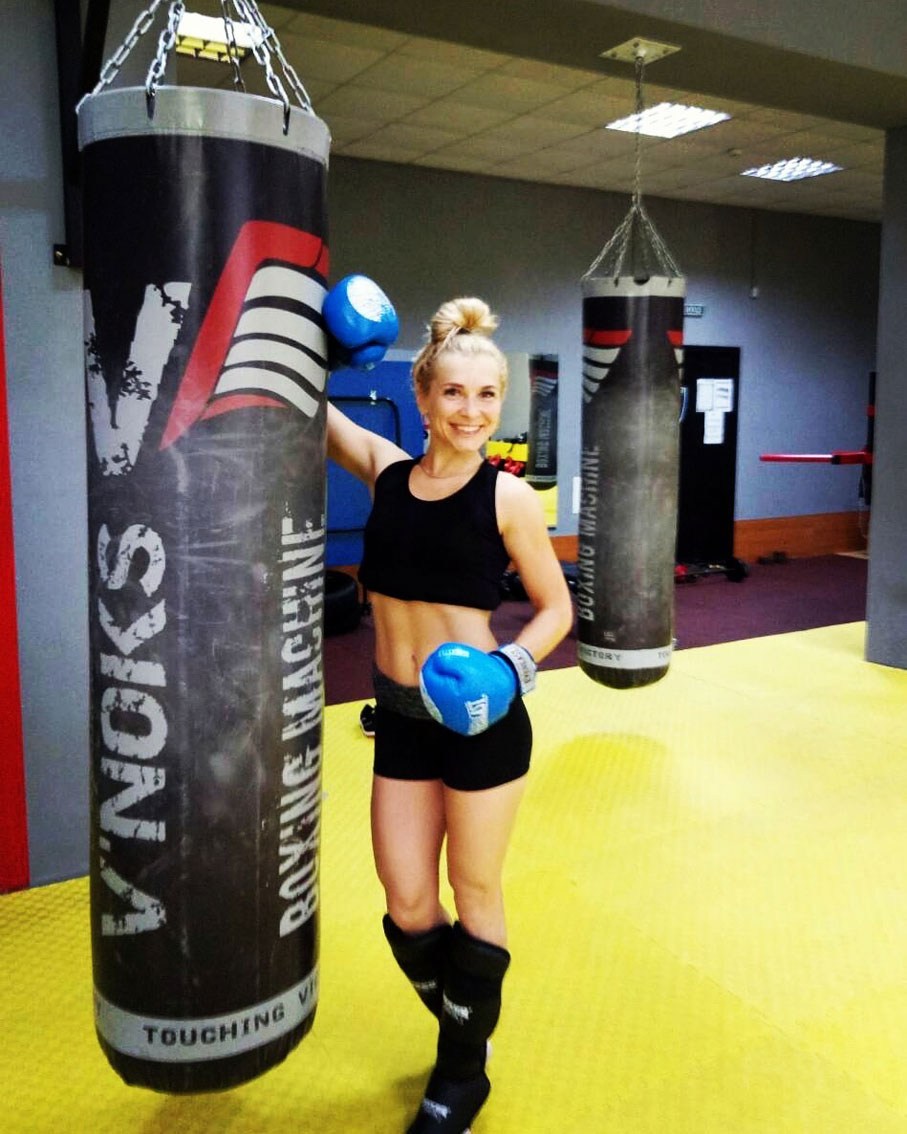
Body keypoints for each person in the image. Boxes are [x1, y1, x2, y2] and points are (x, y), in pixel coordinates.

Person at [326, 296, 573, 1133]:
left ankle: (461, 1074)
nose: (471, 412)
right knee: (405, 901)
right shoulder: (386, 472)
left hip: (481, 718)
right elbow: (306, 408)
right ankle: (467, 1022)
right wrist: (318, 342)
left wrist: (511, 668)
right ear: (423, 398)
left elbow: (554, 609)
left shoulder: (508, 499)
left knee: (472, 888)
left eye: (487, 395)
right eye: (455, 394)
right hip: (400, 718)